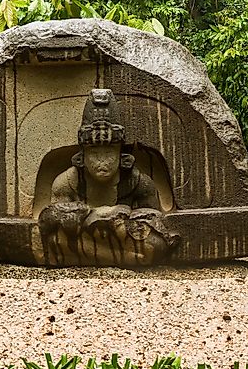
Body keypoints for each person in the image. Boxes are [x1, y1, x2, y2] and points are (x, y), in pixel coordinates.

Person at [38, 89, 178, 266]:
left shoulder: (138, 182)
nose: (102, 162)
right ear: (81, 157)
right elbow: (50, 219)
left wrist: (121, 219)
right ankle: (124, 257)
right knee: (56, 240)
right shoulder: (66, 182)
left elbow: (156, 221)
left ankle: (93, 256)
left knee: (155, 244)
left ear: (121, 156)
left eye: (109, 153)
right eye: (94, 154)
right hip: (82, 238)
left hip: (118, 237)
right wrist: (92, 214)